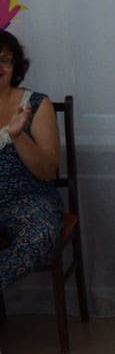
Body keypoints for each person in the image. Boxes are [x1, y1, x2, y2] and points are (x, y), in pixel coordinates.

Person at [0, 31, 62, 291]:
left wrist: (18, 136)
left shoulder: (36, 103)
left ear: (15, 65)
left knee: (42, 235)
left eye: (5, 60)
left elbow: (47, 171)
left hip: (29, 200)